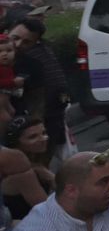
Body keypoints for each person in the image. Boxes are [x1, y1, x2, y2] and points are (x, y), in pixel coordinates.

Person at [9, 17, 68, 149]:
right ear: (8, 31)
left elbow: (37, 101)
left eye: (26, 42)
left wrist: (33, 128)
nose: (18, 44)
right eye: (15, 37)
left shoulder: (32, 65)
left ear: (35, 43)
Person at [0, 116, 52, 221]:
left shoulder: (37, 162)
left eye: (44, 133)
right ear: (17, 143)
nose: (43, 139)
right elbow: (48, 211)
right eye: (33, 137)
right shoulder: (20, 174)